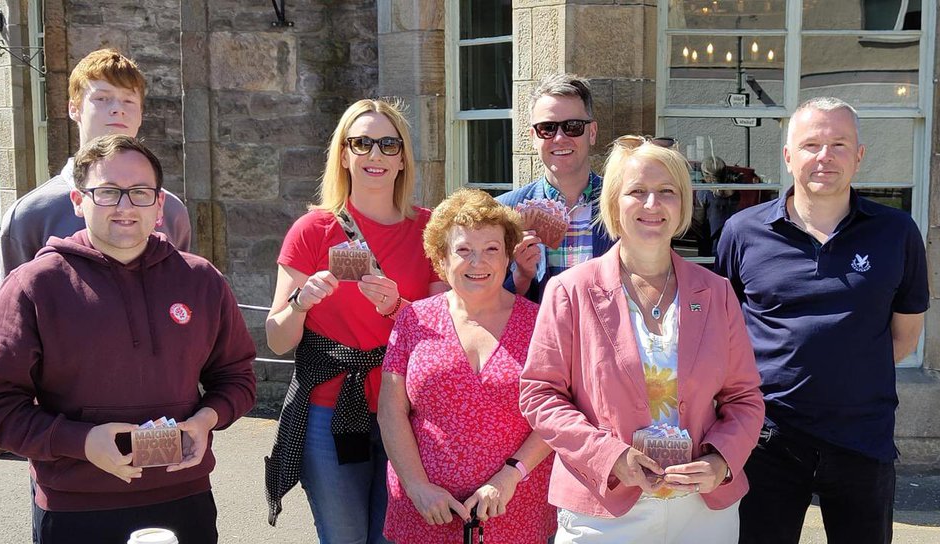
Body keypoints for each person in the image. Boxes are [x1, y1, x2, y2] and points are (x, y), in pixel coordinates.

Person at [0, 134, 257, 544]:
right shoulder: (34, 286)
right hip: (75, 507)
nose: (125, 205)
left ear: (158, 205)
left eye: (139, 192)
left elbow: (237, 377)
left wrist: (208, 419)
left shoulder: (201, 280)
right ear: (78, 202)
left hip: (185, 498)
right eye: (107, 192)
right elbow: (1, 405)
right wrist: (81, 442)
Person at [520, 136, 764, 543]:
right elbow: (540, 394)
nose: (652, 205)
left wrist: (722, 461)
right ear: (614, 203)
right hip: (604, 506)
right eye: (637, 191)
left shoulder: (717, 292)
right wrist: (610, 458)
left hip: (701, 511)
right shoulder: (570, 291)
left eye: (666, 192)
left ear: (683, 204)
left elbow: (745, 398)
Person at [716, 97, 929, 544]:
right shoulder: (742, 232)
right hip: (766, 438)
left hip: (862, 440)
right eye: (811, 144)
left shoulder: (897, 233)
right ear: (789, 155)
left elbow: (904, 335)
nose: (825, 156)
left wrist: (844, 371)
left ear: (860, 155)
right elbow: (725, 334)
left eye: (839, 144)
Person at [263, 99, 447, 543]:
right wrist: (301, 303)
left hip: (404, 412)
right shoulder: (311, 230)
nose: (375, 155)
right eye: (361, 143)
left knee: (394, 537)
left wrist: (398, 309)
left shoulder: (429, 231)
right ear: (343, 155)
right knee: (343, 536)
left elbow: (448, 336)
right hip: (329, 411)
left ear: (403, 158)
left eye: (388, 144)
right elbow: (277, 339)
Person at [378, 189, 556, 543]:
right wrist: (417, 487)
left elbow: (555, 412)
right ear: (441, 258)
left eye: (491, 249)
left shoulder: (541, 323)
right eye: (463, 250)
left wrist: (508, 478)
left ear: (508, 256)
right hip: (426, 511)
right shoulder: (414, 319)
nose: (478, 262)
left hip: (515, 507)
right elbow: (390, 412)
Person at [0, 48, 192, 284]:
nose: (117, 108)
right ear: (74, 108)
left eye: (128, 100)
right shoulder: (30, 216)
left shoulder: (171, 212)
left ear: (141, 114)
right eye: (102, 98)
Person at [496, 73, 615, 302]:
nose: (560, 138)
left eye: (573, 126)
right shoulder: (504, 213)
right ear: (533, 137)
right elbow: (487, 303)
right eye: (547, 128)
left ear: (592, 132)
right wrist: (521, 276)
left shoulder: (620, 206)